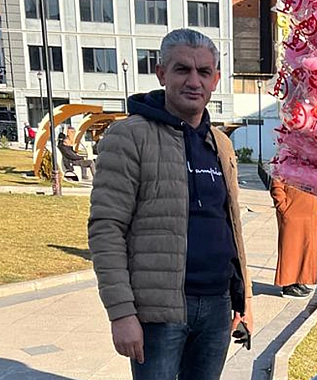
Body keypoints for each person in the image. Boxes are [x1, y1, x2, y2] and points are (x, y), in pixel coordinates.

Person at [88, 28, 253, 380]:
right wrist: (121, 313)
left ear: (216, 79)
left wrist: (242, 299)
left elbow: (231, 227)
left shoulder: (220, 143)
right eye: (182, 70)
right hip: (159, 314)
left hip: (217, 307)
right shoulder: (130, 136)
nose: (194, 80)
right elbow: (106, 228)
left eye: (204, 72)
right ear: (162, 73)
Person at [270, 178, 317, 299]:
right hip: (293, 211)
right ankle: (288, 285)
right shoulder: (286, 159)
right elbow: (277, 181)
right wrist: (283, 206)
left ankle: (299, 280)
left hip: (309, 213)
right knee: (291, 248)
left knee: (306, 248)